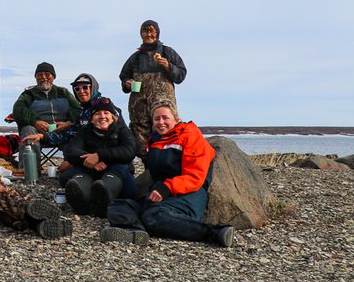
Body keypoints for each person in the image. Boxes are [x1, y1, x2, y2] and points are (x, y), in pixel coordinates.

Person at [100, 100, 234, 247]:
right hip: (161, 194)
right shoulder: (154, 140)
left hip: (189, 194)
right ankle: (135, 231)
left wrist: (167, 187)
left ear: (176, 119)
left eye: (165, 118)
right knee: (118, 205)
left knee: (153, 215)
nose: (161, 122)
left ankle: (216, 233)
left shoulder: (190, 136)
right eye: (157, 119)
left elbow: (195, 177)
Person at [57, 97, 137, 217]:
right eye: (97, 114)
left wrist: (99, 155)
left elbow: (130, 151)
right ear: (91, 119)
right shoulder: (85, 131)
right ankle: (82, 203)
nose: (102, 116)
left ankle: (104, 200)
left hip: (116, 171)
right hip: (91, 169)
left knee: (122, 172)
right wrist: (91, 160)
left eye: (106, 113)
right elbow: (71, 151)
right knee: (69, 177)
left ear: (113, 117)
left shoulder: (122, 130)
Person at [119, 20, 187, 158]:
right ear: (141, 34)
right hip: (139, 108)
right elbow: (124, 77)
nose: (148, 34)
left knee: (166, 134)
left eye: (152, 31)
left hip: (163, 107)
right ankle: (147, 166)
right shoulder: (135, 57)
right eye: (145, 31)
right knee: (140, 140)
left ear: (157, 33)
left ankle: (167, 164)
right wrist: (127, 83)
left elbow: (181, 75)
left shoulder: (167, 52)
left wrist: (168, 66)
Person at [12, 62, 82, 162]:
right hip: (38, 132)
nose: (43, 77)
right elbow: (18, 110)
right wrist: (35, 122)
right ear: (35, 77)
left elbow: (78, 109)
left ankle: (74, 166)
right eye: (39, 75)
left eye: (47, 74)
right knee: (28, 130)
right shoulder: (29, 94)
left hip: (61, 132)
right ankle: (29, 168)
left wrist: (68, 123)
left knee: (75, 135)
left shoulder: (63, 92)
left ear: (53, 77)